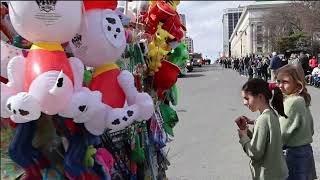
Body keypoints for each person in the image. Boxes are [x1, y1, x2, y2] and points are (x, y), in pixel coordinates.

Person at [236, 78, 288, 180]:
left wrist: (243, 137)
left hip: (268, 175)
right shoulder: (271, 114)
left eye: (247, 98)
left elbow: (255, 153)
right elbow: (264, 141)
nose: (244, 102)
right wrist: (247, 132)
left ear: (260, 96)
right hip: (278, 173)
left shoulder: (262, 120)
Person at [276, 64, 317, 180]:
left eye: (285, 82)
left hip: (293, 156)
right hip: (306, 153)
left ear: (298, 83)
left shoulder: (292, 102)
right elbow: (311, 129)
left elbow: (280, 134)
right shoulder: (301, 100)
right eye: (278, 81)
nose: (280, 86)